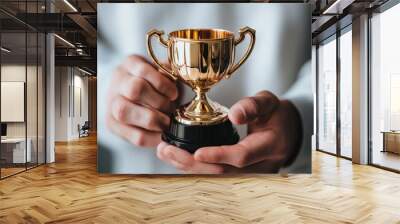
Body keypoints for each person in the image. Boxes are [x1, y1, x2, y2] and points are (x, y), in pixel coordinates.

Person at [98, 3, 313, 174]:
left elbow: (334, 38)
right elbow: (91, 47)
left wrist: (300, 119)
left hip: (279, 184)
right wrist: (113, 93)